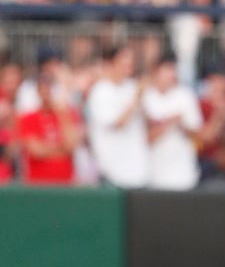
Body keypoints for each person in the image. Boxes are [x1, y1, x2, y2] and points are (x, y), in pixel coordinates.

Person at [85, 46, 149, 188]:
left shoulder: (133, 86)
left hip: (138, 173)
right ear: (110, 64)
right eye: (124, 60)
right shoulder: (100, 91)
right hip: (112, 174)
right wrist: (137, 98)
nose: (129, 64)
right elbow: (117, 123)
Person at [142, 56, 203, 190]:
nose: (171, 75)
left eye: (172, 70)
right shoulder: (145, 96)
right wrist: (169, 121)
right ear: (155, 72)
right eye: (166, 70)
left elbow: (198, 135)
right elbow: (146, 138)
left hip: (184, 176)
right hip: (154, 176)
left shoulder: (185, 95)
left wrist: (181, 124)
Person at [17, 76, 84, 184]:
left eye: (49, 89)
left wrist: (62, 115)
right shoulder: (28, 118)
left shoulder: (67, 115)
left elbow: (71, 146)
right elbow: (36, 151)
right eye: (43, 90)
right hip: (38, 182)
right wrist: (61, 150)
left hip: (65, 181)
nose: (46, 94)